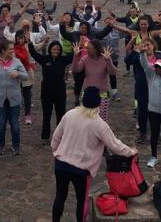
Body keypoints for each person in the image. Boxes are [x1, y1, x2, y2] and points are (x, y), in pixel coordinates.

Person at [51, 87, 137, 222]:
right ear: (99, 103)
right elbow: (115, 145)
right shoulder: (99, 124)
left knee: (60, 196)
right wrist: (131, 152)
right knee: (82, 200)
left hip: (61, 164)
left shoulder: (70, 114)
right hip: (81, 170)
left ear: (83, 101)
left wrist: (56, 153)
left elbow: (56, 138)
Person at [30, 41, 73, 143]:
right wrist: (29, 42)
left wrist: (78, 46)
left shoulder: (63, 60)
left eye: (58, 49)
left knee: (61, 115)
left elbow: (73, 56)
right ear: (50, 49)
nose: (56, 51)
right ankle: (45, 137)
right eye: (54, 49)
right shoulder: (45, 59)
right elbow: (33, 53)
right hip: (47, 91)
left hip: (60, 91)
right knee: (46, 114)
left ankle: (60, 137)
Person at [72, 40, 116, 122]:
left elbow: (113, 72)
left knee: (102, 119)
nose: (86, 50)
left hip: (103, 93)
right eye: (86, 48)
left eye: (89, 48)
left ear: (96, 49)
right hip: (88, 93)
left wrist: (108, 60)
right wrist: (76, 56)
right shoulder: (85, 59)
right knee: (86, 118)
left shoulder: (105, 59)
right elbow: (75, 70)